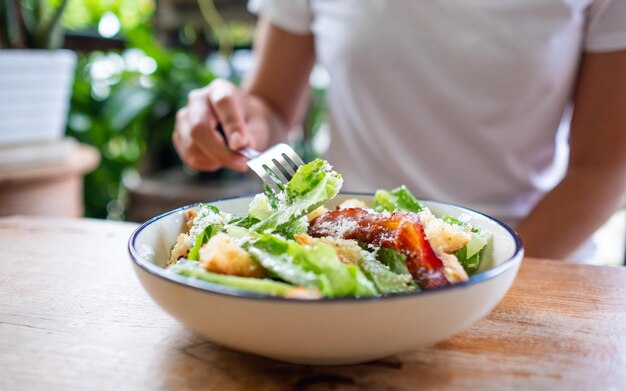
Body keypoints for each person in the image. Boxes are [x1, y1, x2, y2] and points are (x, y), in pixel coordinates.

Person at [173, 0, 626, 263]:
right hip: (346, 255)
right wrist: (231, 122)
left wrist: (489, 272)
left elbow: (605, 165)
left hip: (534, 261)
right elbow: (269, 106)